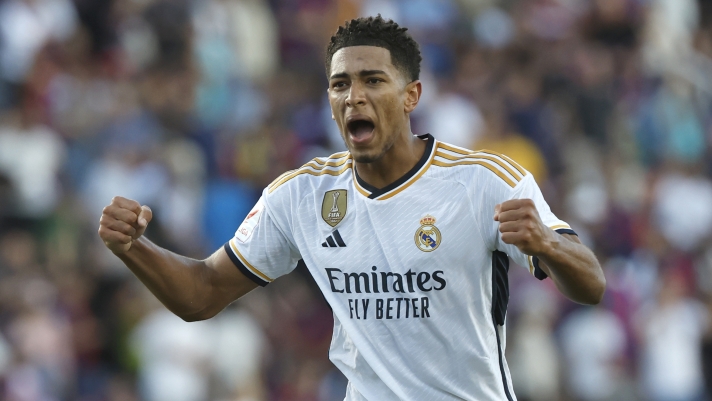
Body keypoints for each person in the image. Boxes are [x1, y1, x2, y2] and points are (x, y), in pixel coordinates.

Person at [98, 16, 605, 401]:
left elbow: (592, 285)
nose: (353, 97)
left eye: (372, 81)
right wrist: (133, 248)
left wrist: (549, 243)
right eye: (341, 85)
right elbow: (201, 294)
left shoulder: (483, 181)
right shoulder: (300, 197)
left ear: (411, 96)